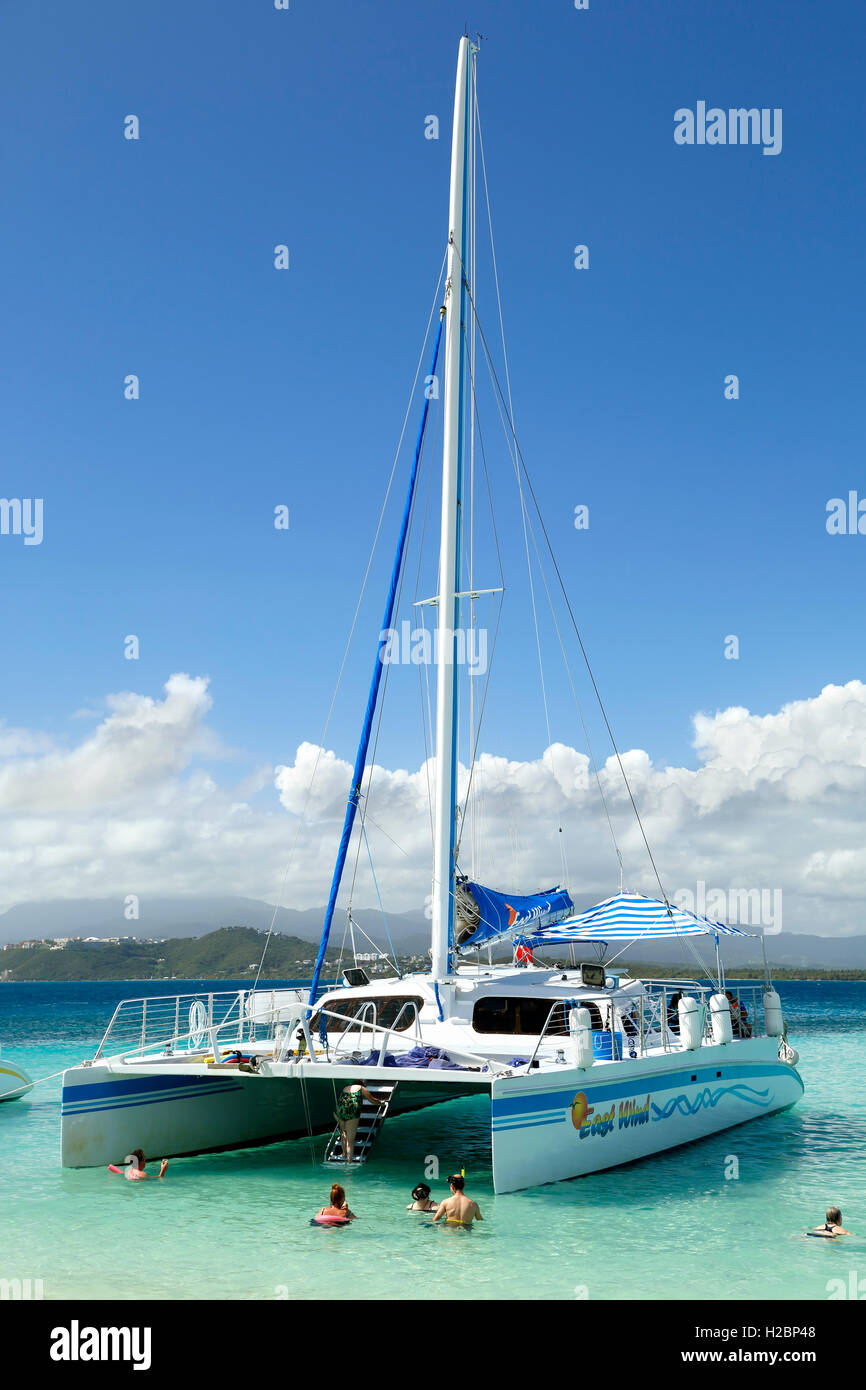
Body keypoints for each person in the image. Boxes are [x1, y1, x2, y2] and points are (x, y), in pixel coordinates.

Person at [334, 1082, 387, 1162]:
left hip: (341, 1110)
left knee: (343, 1133)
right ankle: (349, 1163)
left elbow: (340, 1100)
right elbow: (372, 1100)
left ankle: (344, 1153)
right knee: (350, 1140)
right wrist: (381, 1103)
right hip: (352, 1112)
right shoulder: (361, 1088)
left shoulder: (345, 1088)